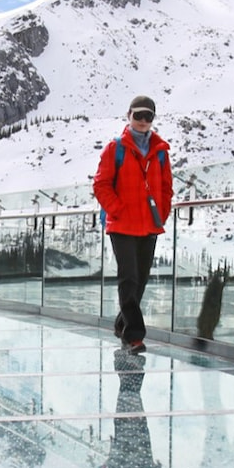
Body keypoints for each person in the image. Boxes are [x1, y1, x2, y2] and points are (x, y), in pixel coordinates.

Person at [93, 94, 173, 354]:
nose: (142, 120)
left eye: (147, 116)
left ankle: (121, 323)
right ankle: (133, 336)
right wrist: (118, 210)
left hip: (149, 225)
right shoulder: (114, 149)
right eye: (138, 115)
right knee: (129, 278)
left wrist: (161, 213)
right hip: (122, 225)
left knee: (142, 279)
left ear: (153, 119)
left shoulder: (160, 151)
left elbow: (166, 188)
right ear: (128, 116)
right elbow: (101, 185)